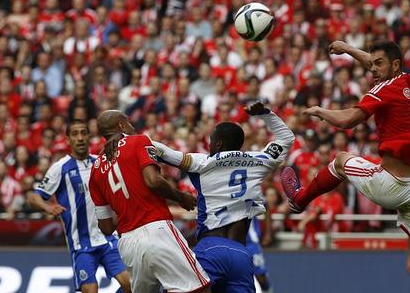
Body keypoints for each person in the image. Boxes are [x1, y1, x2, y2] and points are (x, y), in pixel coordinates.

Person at [280, 40, 410, 293]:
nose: (372, 69)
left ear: (395, 64)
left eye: (379, 63)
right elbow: (376, 63)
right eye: (371, 63)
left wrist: (322, 111)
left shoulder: (383, 90)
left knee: (341, 159)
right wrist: (349, 49)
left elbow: (349, 120)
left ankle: (299, 199)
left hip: (394, 185)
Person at [150, 101, 295, 292]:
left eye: (211, 141)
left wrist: (127, 140)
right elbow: (287, 138)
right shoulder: (260, 161)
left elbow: (162, 152)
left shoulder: (202, 163)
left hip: (211, 248)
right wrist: (266, 114)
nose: (209, 144)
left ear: (218, 143)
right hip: (241, 254)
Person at [88, 110, 211, 293]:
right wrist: (181, 197)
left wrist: (125, 206)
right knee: (199, 290)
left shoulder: (95, 171)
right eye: (128, 121)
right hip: (156, 229)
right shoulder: (138, 140)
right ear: (121, 125)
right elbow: (153, 181)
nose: (132, 125)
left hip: (128, 243)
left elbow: (106, 227)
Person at [28, 119, 131, 293]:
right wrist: (48, 207)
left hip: (108, 238)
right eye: (75, 134)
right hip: (81, 245)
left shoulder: (101, 162)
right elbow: (34, 197)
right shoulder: (60, 168)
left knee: (130, 284)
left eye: (84, 133)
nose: (80, 138)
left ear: (90, 136)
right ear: (68, 139)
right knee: (90, 290)